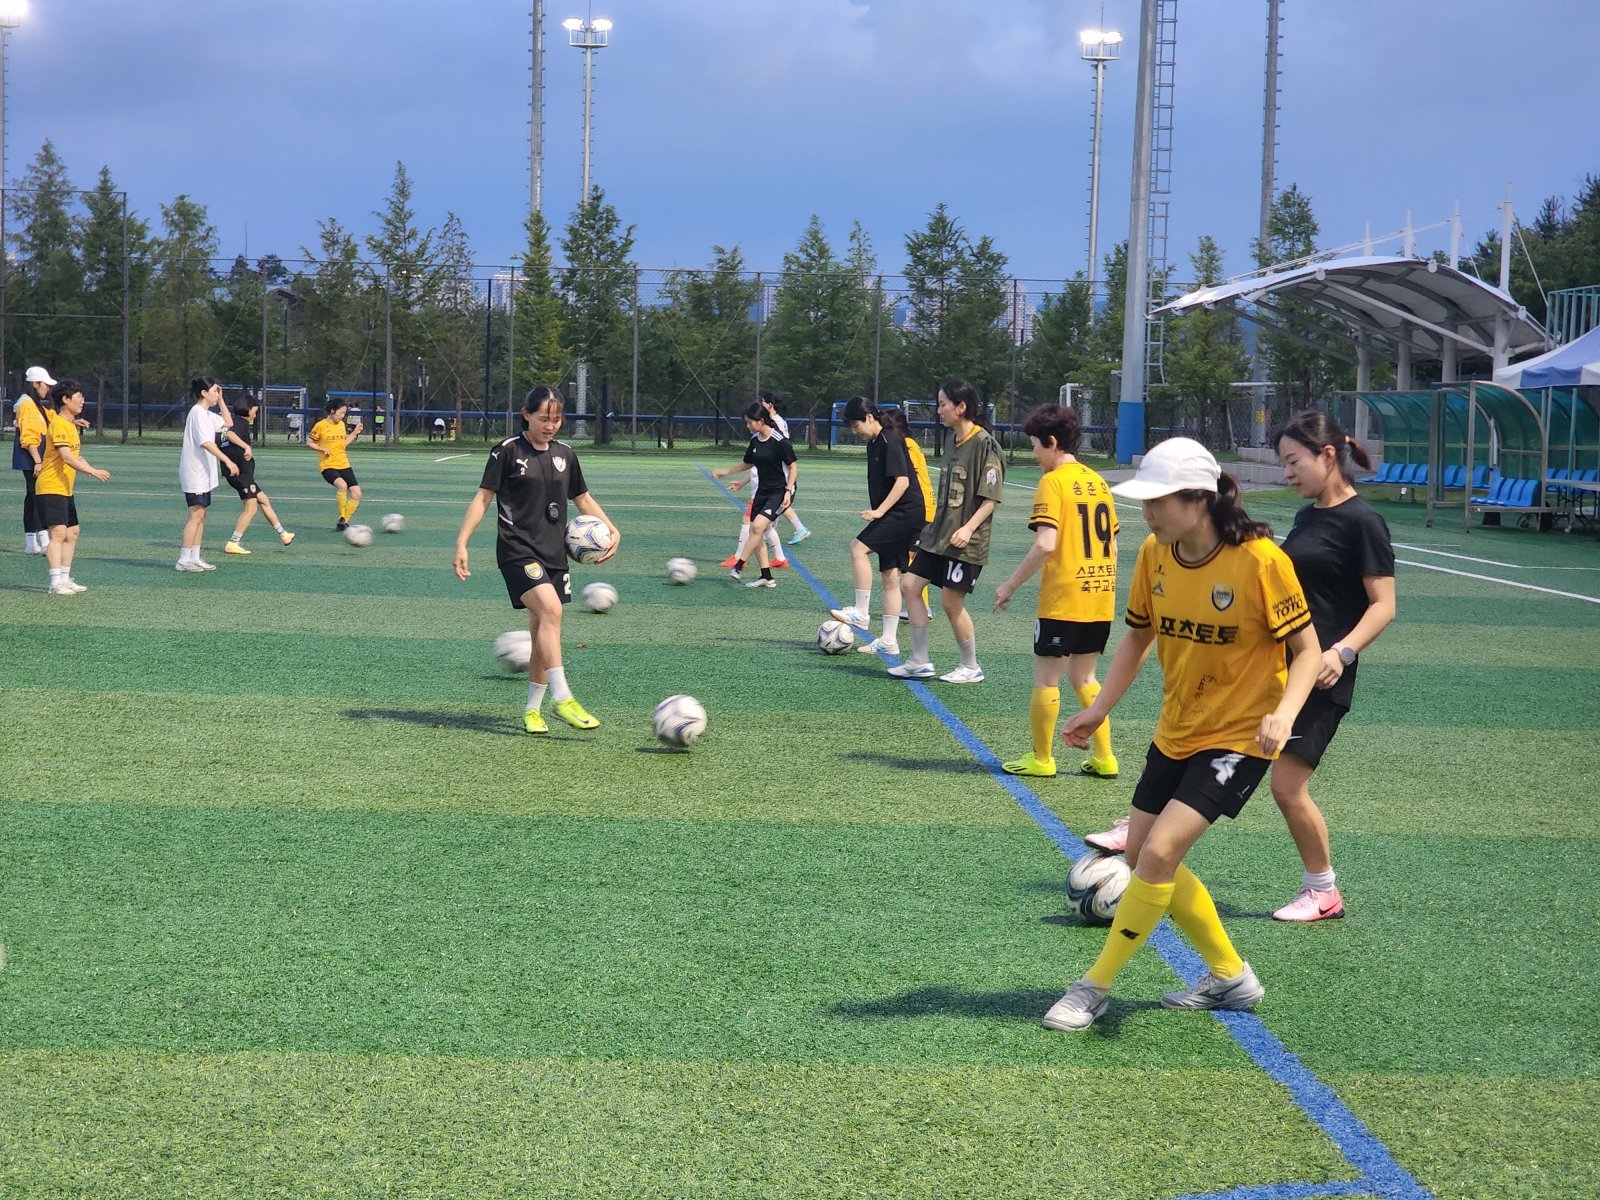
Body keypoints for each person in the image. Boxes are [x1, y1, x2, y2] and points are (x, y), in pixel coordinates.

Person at [1041, 438, 1320, 1032]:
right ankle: (1230, 976)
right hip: (1178, 729)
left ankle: (1092, 986)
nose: (1147, 513)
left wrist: (1285, 714)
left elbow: (1306, 650)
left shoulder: (1262, 560)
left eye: (1157, 501)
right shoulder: (1153, 552)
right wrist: (1098, 709)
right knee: (1142, 855)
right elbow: (1138, 638)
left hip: (1242, 737)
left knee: (1161, 852)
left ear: (1199, 500)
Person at [1266, 411, 1395, 920]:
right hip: (1280, 667)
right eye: (1283, 463)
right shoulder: (1306, 517)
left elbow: (1383, 604)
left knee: (1287, 786)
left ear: (1326, 456)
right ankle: (1146, 840)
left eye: (1293, 461)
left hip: (1322, 675)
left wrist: (1341, 652)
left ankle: (1323, 891)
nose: (1287, 473)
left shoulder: (1363, 522)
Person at [454, 384, 620, 734]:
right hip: (516, 548)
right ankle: (563, 698)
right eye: (544, 418)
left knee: (543, 627)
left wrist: (610, 528)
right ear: (526, 414)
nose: (550, 425)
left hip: (554, 552)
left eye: (557, 419)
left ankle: (532, 710)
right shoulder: (507, 452)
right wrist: (462, 543)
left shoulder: (566, 454)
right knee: (551, 610)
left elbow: (583, 498)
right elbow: (483, 499)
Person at [991, 403, 1119, 778]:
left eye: (1034, 446)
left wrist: (1010, 584)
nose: (1034, 455)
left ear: (1051, 442)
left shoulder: (1052, 482)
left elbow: (1047, 544)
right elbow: (1111, 546)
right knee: (1086, 678)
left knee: (1048, 678)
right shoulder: (1098, 481)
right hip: (1100, 596)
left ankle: (1042, 759)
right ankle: (1104, 757)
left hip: (1064, 598)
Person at [888, 379, 1004, 684]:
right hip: (938, 535)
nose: (938, 410)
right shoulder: (953, 440)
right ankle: (919, 661)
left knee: (952, 604)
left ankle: (971, 666)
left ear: (961, 407)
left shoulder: (985, 444)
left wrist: (967, 528)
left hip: (966, 541)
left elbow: (990, 499)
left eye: (943, 404)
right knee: (910, 586)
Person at [826, 396, 926, 655]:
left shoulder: (890, 439)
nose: (854, 431)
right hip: (896, 513)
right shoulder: (874, 443)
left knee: (857, 548)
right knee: (889, 575)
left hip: (905, 513)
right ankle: (889, 641)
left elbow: (902, 482)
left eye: (856, 425)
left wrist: (879, 511)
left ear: (870, 417)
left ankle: (860, 612)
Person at [711, 402, 798, 590]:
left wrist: (788, 491)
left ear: (760, 420)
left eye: (750, 423)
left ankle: (739, 565)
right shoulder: (755, 440)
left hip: (779, 491)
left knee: (757, 527)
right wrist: (728, 473)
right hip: (763, 490)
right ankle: (766, 576)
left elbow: (793, 467)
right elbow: (748, 463)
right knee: (758, 532)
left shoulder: (780, 441)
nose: (748, 426)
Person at [35, 379, 110, 595]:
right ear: (65, 400)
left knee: (72, 533)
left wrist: (86, 465)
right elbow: (66, 457)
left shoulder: (69, 425)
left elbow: (75, 456)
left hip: (64, 488)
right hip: (50, 486)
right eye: (78, 398)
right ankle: (55, 582)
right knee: (58, 533)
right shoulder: (59, 424)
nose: (82, 402)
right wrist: (93, 471)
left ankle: (65, 578)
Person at [219, 392, 295, 554]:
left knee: (263, 500)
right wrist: (246, 447)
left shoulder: (234, 422)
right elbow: (230, 435)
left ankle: (283, 534)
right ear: (248, 409)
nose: (256, 413)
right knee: (251, 508)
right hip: (241, 474)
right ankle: (233, 542)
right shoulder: (240, 422)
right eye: (255, 409)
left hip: (241, 474)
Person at [177, 377, 239, 572]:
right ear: (203, 392)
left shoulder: (207, 414)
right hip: (194, 473)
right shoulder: (197, 413)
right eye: (214, 391)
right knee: (195, 515)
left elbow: (228, 423)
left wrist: (221, 400)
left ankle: (194, 557)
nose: (216, 394)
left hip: (204, 474)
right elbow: (206, 443)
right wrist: (228, 460)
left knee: (202, 515)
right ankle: (183, 559)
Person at [13, 365, 56, 555]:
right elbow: (29, 438)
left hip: (32, 457)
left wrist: (71, 421)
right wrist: (38, 461)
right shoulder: (27, 405)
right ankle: (45, 541)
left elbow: (50, 418)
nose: (47, 388)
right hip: (33, 457)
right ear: (35, 383)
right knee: (39, 497)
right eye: (45, 384)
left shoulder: (34, 403)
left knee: (32, 497)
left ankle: (31, 543)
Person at [309, 397, 363, 530]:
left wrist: (355, 433)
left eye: (344, 413)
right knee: (342, 485)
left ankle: (343, 522)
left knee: (357, 494)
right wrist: (322, 449)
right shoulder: (321, 425)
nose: (342, 416)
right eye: (340, 413)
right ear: (332, 411)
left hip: (343, 463)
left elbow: (343, 444)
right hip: (328, 465)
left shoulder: (341, 425)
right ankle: (342, 516)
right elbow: (309, 442)